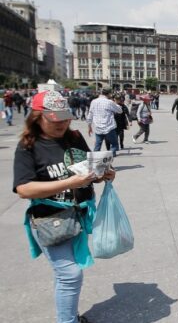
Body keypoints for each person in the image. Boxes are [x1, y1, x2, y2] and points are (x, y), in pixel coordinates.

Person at [13, 90, 116, 323]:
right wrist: (70, 182)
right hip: (51, 220)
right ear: (38, 116)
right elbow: (23, 189)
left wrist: (103, 174)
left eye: (65, 117)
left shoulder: (75, 138)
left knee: (66, 275)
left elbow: (90, 171)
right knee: (70, 274)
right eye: (54, 119)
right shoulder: (28, 145)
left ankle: (69, 315)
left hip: (78, 215)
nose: (62, 123)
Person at [86, 88, 122, 158]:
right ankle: (107, 160)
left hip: (98, 128)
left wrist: (89, 126)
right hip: (109, 128)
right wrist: (116, 103)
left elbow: (90, 114)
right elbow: (120, 111)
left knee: (97, 146)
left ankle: (94, 163)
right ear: (109, 94)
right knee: (114, 145)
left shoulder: (94, 101)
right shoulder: (109, 102)